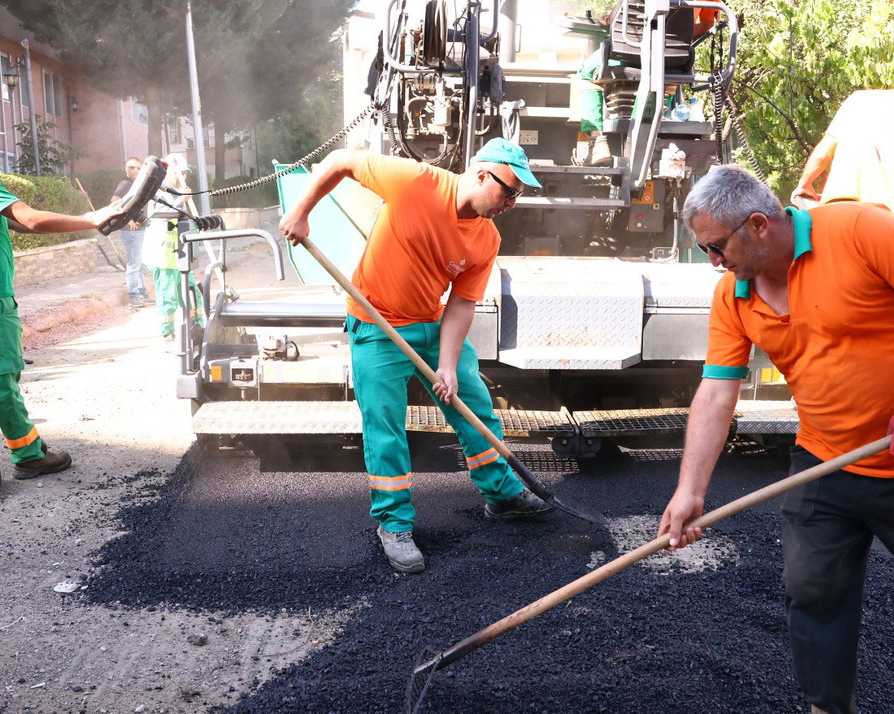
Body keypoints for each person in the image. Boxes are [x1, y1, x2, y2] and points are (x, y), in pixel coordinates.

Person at [657, 166, 894, 714]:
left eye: (716, 247)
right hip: (824, 464)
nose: (714, 262)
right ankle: (827, 709)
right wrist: (690, 490)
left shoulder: (859, 230)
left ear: (758, 225)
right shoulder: (734, 295)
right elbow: (718, 392)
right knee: (812, 590)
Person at [278, 138, 553, 573]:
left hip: (432, 322)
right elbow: (340, 160)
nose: (513, 203)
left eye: (518, 194)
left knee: (474, 405)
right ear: (483, 175)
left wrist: (447, 365)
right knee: (385, 424)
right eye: (510, 191)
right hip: (377, 323)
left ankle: (501, 495)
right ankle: (394, 524)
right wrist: (300, 212)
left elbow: (461, 303)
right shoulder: (414, 182)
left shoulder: (486, 240)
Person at [0, 119, 123, 502]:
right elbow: (31, 217)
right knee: (2, 378)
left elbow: (22, 225)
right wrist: (90, 219)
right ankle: (31, 457)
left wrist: (90, 217)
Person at [791, 68, 894, 222]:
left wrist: (804, 185)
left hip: (838, 208)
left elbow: (822, 154)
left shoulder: (857, 99)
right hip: (888, 218)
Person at [575, 6, 720, 166]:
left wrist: (608, 19)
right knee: (669, 77)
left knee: (586, 75)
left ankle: (598, 142)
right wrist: (676, 37)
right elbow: (707, 26)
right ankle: (656, 123)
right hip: (672, 59)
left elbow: (619, 16)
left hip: (629, 54)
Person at [141, 153, 203, 342]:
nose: (184, 177)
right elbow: (163, 213)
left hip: (182, 256)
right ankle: (167, 331)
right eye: (181, 173)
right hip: (164, 258)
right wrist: (180, 201)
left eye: (185, 174)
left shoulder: (177, 193)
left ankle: (197, 325)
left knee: (191, 292)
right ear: (170, 173)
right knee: (167, 296)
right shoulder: (158, 192)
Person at [111, 157, 150, 308]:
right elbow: (114, 200)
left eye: (138, 168)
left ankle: (141, 292)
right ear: (126, 169)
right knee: (134, 264)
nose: (135, 170)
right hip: (130, 231)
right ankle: (134, 296)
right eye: (132, 167)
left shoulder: (138, 184)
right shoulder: (125, 184)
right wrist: (127, 219)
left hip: (140, 230)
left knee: (140, 263)